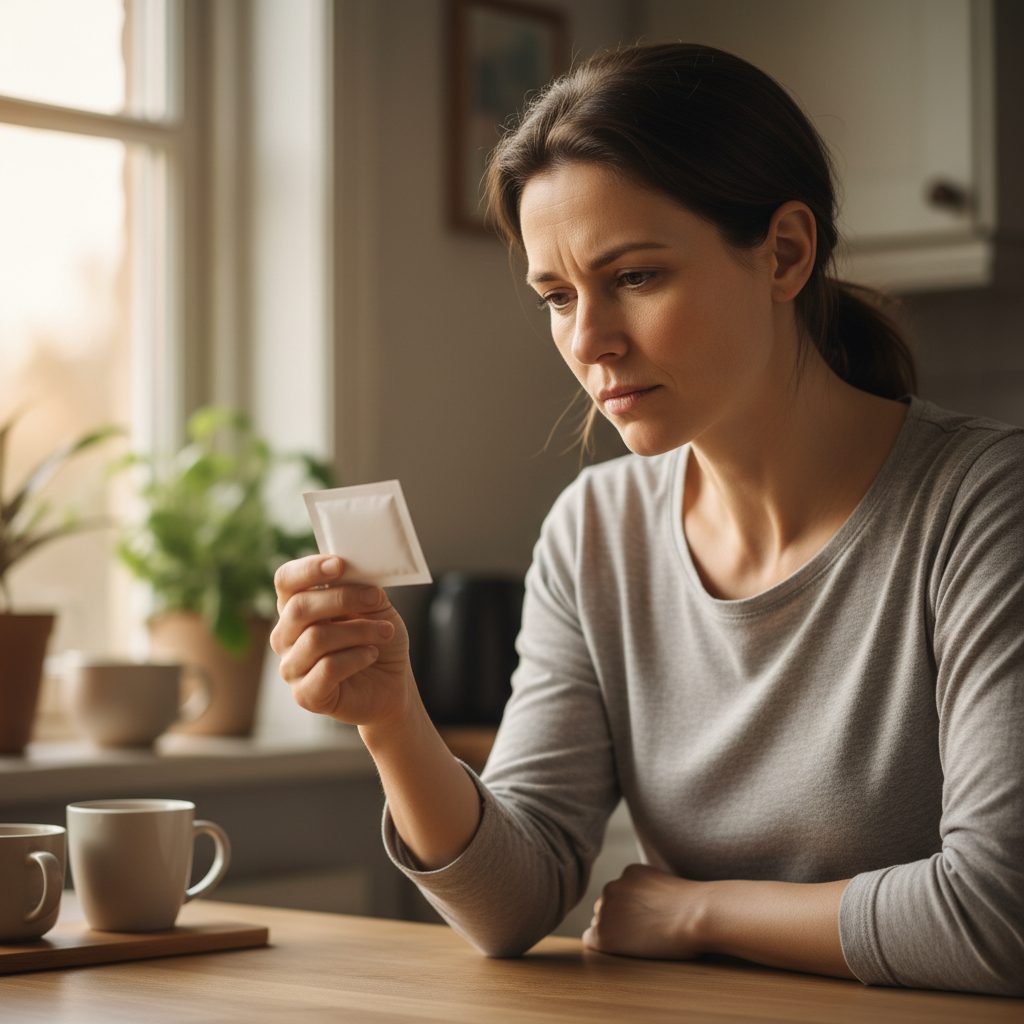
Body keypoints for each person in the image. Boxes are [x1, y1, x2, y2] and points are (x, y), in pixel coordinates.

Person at [270, 44, 1024, 995]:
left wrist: (700, 909)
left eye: (634, 277)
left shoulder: (986, 507)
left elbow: (1002, 913)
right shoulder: (595, 531)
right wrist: (389, 718)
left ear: (785, 252)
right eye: (556, 296)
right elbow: (514, 903)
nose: (588, 342)